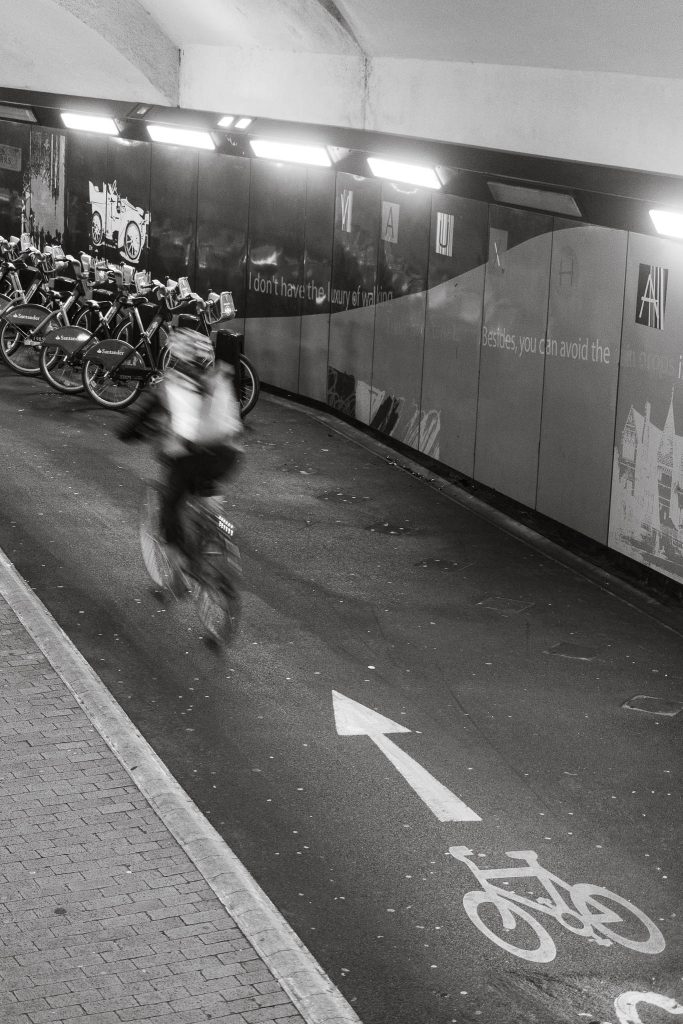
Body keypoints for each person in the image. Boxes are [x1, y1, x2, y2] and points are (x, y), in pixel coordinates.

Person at [117, 327, 243, 582]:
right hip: (227, 456)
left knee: (170, 511)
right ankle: (218, 527)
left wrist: (128, 434)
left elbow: (139, 421)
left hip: (188, 458)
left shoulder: (171, 381)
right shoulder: (221, 379)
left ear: (176, 355)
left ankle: (180, 573)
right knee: (208, 489)